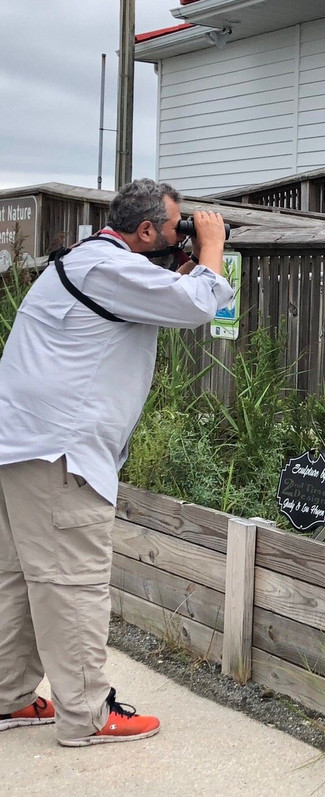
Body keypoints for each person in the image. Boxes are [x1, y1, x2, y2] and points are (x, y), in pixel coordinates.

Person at [0, 179, 234, 746]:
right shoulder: (106, 267)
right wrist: (211, 246)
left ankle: (8, 697)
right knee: (72, 582)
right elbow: (203, 303)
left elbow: (160, 303)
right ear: (148, 229)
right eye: (176, 226)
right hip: (61, 455)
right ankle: (88, 715)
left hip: (23, 449)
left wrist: (184, 264)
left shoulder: (87, 263)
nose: (182, 235)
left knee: (18, 581)